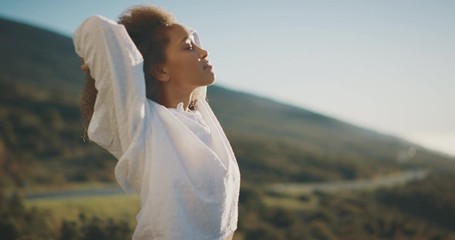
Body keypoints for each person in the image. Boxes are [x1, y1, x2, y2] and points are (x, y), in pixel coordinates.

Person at [73, 5, 240, 240]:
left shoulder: (199, 115)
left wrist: (180, 36)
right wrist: (99, 65)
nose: (203, 52)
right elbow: (99, 30)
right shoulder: (144, 125)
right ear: (161, 70)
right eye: (189, 47)